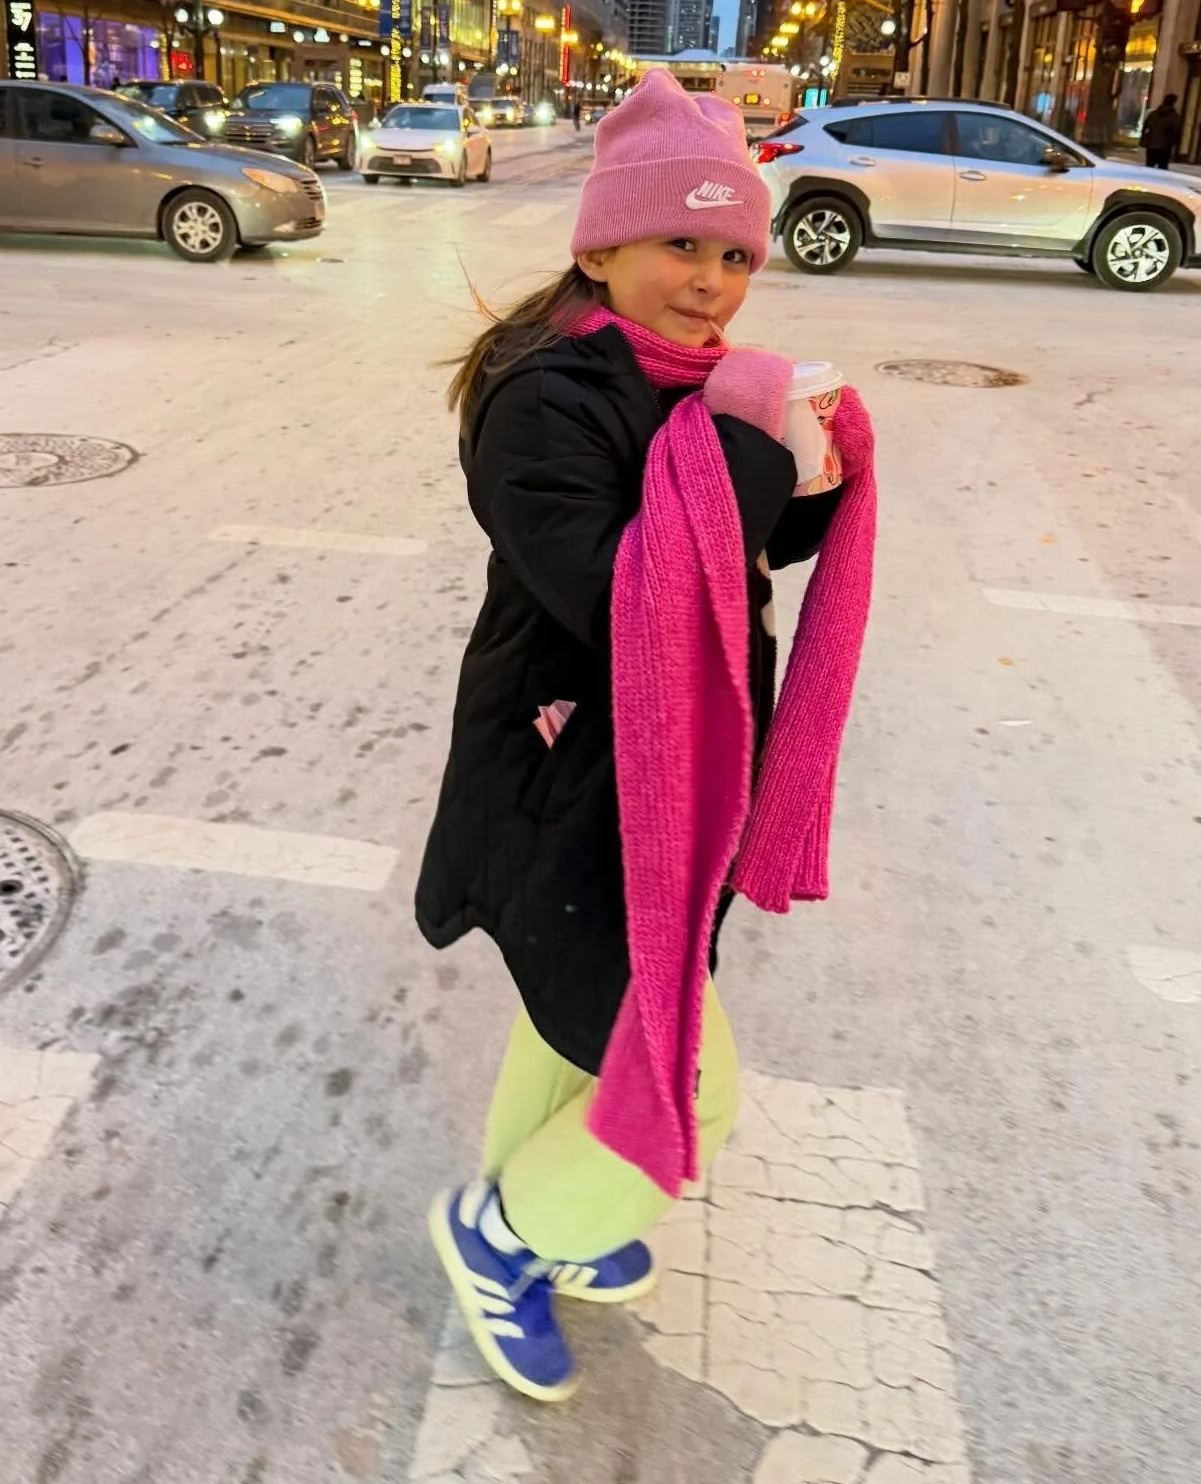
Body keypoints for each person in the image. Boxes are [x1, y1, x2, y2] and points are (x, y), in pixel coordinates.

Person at [417, 68, 878, 1403]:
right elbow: (628, 586)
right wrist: (762, 455)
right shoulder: (543, 401)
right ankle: (506, 1234)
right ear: (603, 242)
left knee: (576, 1027)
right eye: (683, 242)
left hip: (638, 780)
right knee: (687, 1084)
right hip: (570, 781)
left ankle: (541, 1212)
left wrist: (805, 484)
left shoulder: (684, 378)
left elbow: (723, 544)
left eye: (738, 253)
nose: (715, 280)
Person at [1141, 92, 1183, 169]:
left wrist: (1145, 140)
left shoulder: (1153, 115)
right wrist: (1176, 143)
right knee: (1162, 166)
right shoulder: (1174, 117)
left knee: (1150, 165)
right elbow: (1176, 131)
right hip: (1165, 146)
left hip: (1151, 144)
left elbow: (1145, 127)